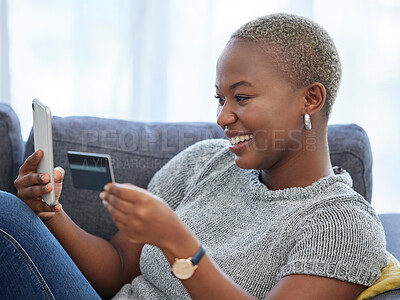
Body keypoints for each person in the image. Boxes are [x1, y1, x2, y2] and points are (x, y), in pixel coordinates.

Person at [0, 13, 387, 300]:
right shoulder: (205, 161)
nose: (222, 117)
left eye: (242, 97)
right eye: (220, 98)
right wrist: (52, 214)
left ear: (310, 98)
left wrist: (178, 243)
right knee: (12, 211)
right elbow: (117, 268)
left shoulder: (343, 226)